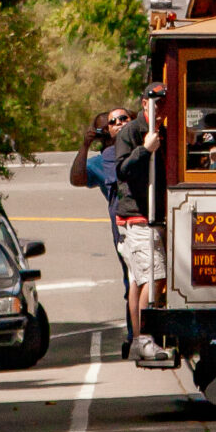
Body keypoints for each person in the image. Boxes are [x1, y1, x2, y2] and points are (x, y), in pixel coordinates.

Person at [69, 107, 135, 350]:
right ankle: (135, 332)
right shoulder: (101, 161)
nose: (118, 124)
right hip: (124, 228)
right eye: (111, 123)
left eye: (124, 119)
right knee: (132, 281)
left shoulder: (141, 148)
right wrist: (84, 147)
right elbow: (76, 179)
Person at [115, 82, 172, 362]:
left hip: (156, 215)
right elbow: (122, 170)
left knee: (139, 280)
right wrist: (145, 149)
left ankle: (139, 340)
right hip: (137, 217)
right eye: (155, 101)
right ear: (143, 102)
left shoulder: (167, 132)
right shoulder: (131, 132)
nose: (160, 107)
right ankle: (145, 338)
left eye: (163, 102)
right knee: (154, 275)